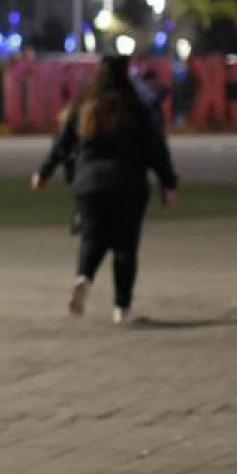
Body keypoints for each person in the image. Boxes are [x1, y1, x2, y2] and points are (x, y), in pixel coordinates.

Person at [33, 56, 178, 324]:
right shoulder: (137, 109)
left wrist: (43, 173)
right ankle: (122, 308)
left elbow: (62, 143)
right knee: (125, 246)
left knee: (92, 238)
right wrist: (168, 184)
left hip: (88, 184)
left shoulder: (84, 106)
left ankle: (83, 277)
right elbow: (157, 150)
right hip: (128, 184)